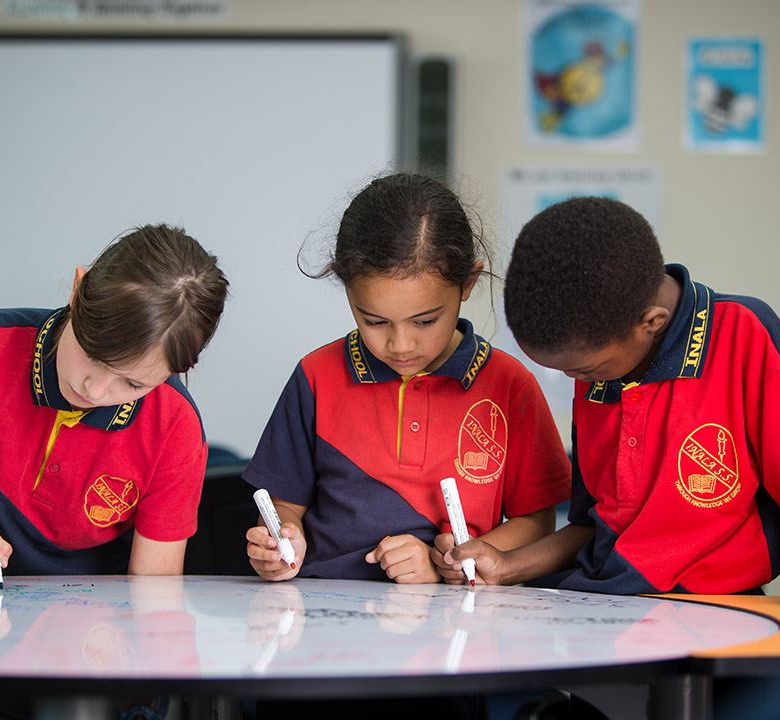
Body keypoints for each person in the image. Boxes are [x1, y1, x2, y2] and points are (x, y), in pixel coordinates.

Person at [448, 196, 780, 610]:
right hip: (598, 602)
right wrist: (505, 566)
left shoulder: (742, 333)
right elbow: (590, 526)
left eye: (584, 371)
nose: (573, 381)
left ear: (651, 323)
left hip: (714, 608)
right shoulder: (598, 351)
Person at [0, 224, 229, 719]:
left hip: (100, 651)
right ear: (77, 289)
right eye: (94, 353)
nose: (96, 387)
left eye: (131, 382)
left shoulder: (174, 423)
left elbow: (154, 588)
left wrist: (140, 693)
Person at [244, 173, 571, 585]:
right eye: (374, 321)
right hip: (324, 611)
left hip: (455, 625)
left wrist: (447, 563)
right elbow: (283, 503)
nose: (400, 345)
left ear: (468, 284)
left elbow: (536, 522)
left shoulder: (509, 384)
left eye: (425, 320)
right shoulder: (316, 376)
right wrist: (282, 541)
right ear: (348, 293)